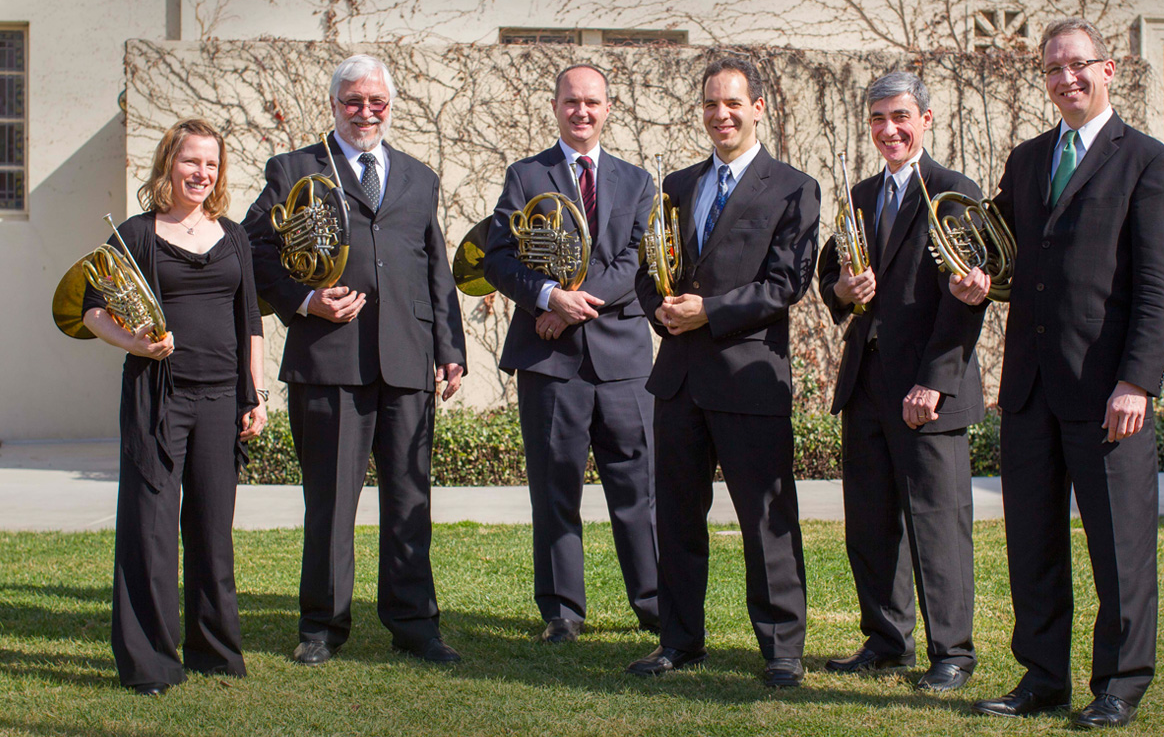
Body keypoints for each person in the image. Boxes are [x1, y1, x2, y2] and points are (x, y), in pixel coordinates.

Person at [951, 18, 1164, 728]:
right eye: (1053, 69)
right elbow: (1007, 257)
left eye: (1078, 65)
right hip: (1030, 390)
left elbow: (1158, 284)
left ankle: (1120, 681)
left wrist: (1138, 380)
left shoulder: (1145, 159)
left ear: (1108, 69)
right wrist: (979, 280)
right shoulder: (1026, 160)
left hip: (1107, 390)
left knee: (1119, 548)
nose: (1065, 78)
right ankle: (1042, 676)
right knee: (1034, 542)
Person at [243, 54, 468, 666]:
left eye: (377, 102)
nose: (365, 112)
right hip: (328, 360)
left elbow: (435, 268)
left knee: (408, 502)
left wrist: (450, 349)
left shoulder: (419, 177)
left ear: (390, 107)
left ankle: (415, 625)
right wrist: (306, 299)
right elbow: (253, 253)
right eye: (353, 101)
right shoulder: (293, 168)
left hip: (406, 360)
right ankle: (322, 626)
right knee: (331, 503)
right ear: (334, 104)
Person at [625, 56, 819, 687]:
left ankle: (781, 649)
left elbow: (787, 283)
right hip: (679, 380)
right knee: (677, 517)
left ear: (758, 106)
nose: (720, 114)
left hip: (749, 379)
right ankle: (680, 640)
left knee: (766, 518)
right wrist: (665, 312)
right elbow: (648, 270)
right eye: (710, 104)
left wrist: (708, 311)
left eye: (732, 103)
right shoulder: (677, 185)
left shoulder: (793, 187)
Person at [82, 118, 266, 696]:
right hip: (156, 399)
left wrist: (254, 395)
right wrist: (136, 343)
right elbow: (92, 310)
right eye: (191, 162)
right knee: (151, 531)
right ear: (169, 165)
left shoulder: (233, 236)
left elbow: (251, 323)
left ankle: (215, 653)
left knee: (213, 532)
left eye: (211, 164)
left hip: (220, 400)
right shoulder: (135, 233)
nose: (202, 174)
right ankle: (151, 664)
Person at [817, 71, 986, 692]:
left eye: (901, 117)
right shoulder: (857, 195)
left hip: (926, 388)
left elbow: (967, 298)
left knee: (937, 522)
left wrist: (935, 382)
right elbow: (830, 274)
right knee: (870, 522)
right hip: (865, 382)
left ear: (927, 119)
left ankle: (953, 654)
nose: (889, 130)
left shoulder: (954, 191)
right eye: (879, 120)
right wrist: (842, 289)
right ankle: (887, 640)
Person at [482, 64, 660, 643]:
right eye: (571, 102)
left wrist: (575, 305)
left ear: (608, 108)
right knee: (555, 488)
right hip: (550, 361)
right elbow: (499, 257)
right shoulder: (525, 174)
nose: (581, 111)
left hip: (624, 361)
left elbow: (639, 260)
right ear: (555, 106)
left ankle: (655, 603)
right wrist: (548, 296)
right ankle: (562, 612)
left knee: (638, 486)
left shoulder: (637, 181)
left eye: (592, 102)